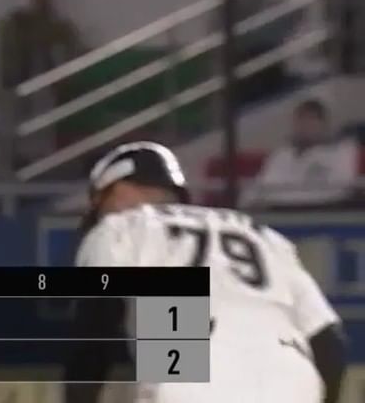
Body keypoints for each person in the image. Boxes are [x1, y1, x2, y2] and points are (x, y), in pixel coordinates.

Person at [64, 141, 346, 403]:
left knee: (172, 327)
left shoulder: (120, 228)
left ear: (117, 189)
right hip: (292, 380)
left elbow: (96, 327)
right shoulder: (260, 234)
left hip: (193, 377)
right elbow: (329, 342)